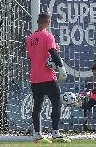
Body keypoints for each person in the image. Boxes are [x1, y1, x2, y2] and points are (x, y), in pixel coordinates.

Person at [26, 13, 70, 143]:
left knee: (37, 107)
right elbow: (52, 52)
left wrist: (51, 55)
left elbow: (32, 58)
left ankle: (37, 134)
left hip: (34, 77)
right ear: (48, 22)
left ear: (38, 21)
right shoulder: (48, 36)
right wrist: (61, 69)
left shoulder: (29, 39)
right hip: (48, 77)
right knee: (56, 103)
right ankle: (55, 133)